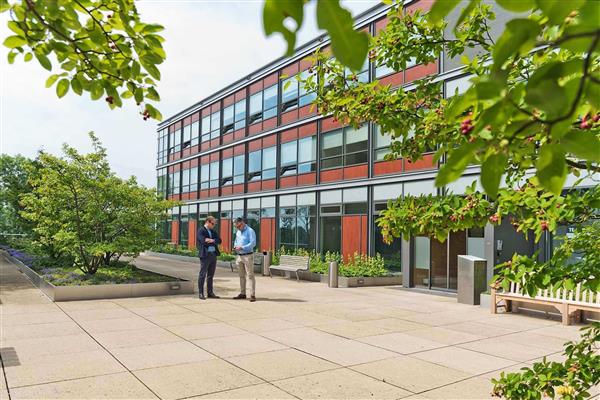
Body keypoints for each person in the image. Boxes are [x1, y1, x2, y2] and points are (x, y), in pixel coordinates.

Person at [196, 215, 222, 300]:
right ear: (207, 222)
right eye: (213, 223)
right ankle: (201, 293)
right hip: (205, 255)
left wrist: (212, 240)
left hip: (213, 255)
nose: (214, 225)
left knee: (211, 275)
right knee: (202, 274)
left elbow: (219, 240)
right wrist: (212, 241)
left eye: (214, 224)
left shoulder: (213, 231)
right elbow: (203, 241)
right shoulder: (201, 230)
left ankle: (210, 293)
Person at [232, 217, 256, 302]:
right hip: (239, 256)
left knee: (250, 275)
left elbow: (253, 243)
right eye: (236, 227)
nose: (237, 228)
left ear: (242, 223)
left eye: (238, 226)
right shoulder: (238, 232)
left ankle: (252, 295)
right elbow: (236, 240)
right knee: (241, 276)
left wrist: (242, 247)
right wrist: (235, 246)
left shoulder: (250, 231)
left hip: (247, 256)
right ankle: (243, 293)